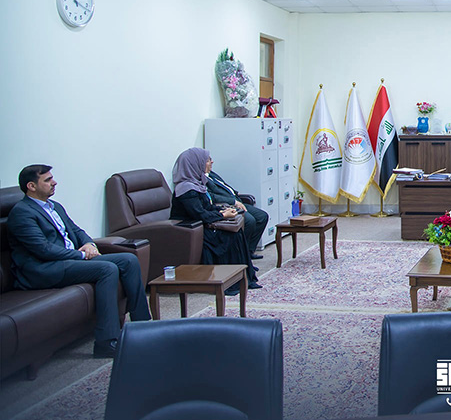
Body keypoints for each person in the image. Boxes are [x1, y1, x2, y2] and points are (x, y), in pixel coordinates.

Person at [6, 165, 150, 358]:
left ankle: (142, 326)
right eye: (47, 180)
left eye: (52, 178)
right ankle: (106, 342)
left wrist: (89, 244)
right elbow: (43, 249)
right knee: (107, 269)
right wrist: (81, 255)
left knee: (128, 260)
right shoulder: (22, 213)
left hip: (67, 260)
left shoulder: (54, 206)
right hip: (43, 269)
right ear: (31, 186)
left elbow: (76, 231)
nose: (54, 182)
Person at [171, 148, 260, 294]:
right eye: (207, 160)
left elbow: (207, 207)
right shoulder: (186, 189)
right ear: (195, 163)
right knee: (230, 236)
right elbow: (199, 214)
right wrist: (223, 215)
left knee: (236, 232)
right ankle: (228, 280)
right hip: (192, 230)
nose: (211, 162)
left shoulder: (197, 184)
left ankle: (241, 277)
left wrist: (222, 210)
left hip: (202, 225)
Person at [206, 159, 268, 260]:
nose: (212, 161)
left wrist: (235, 193)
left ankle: (249, 251)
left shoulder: (211, 174)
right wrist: (233, 201)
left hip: (237, 201)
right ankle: (241, 254)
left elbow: (225, 186)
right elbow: (212, 197)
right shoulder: (200, 179)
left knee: (262, 216)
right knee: (249, 221)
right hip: (227, 206)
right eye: (208, 160)